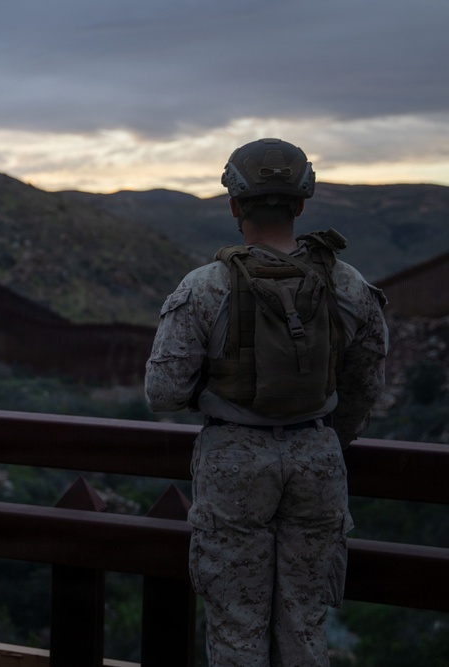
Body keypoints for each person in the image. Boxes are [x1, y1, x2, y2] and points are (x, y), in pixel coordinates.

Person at [145, 138, 388, 666]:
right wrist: (323, 435)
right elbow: (366, 385)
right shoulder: (349, 285)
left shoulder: (205, 288)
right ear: (302, 203)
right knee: (305, 622)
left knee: (236, 626)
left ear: (234, 203)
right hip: (319, 458)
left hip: (233, 460)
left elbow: (163, 393)